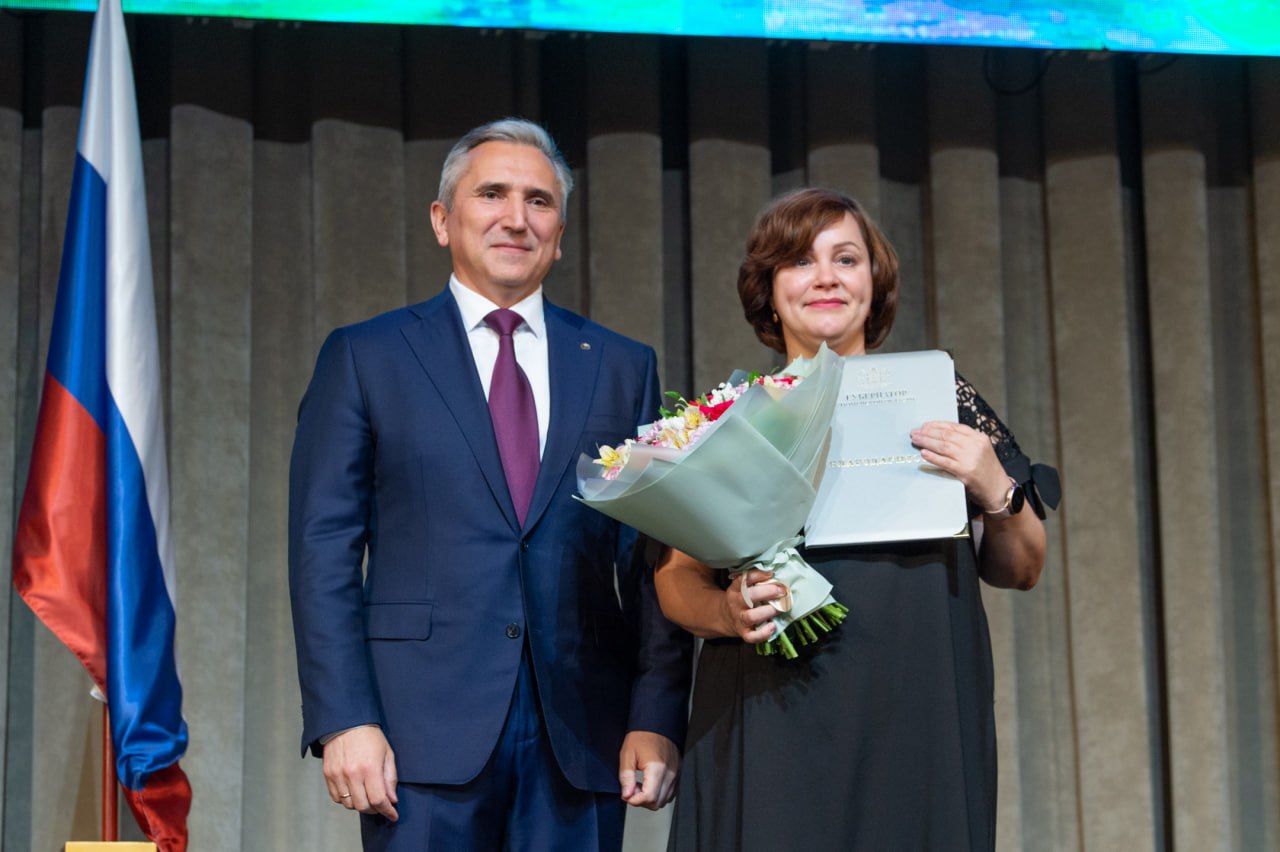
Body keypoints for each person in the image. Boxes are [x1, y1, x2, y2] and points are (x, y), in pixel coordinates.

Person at [289, 118, 692, 851]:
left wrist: (655, 713)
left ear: (559, 234)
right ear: (443, 220)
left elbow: (652, 558)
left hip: (583, 735)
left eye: (539, 201)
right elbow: (324, 553)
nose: (516, 218)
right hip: (417, 738)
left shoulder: (621, 365)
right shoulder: (365, 356)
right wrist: (344, 716)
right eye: (492, 194)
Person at [655, 188, 1058, 851]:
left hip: (920, 711)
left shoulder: (944, 402)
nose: (826, 278)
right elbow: (675, 580)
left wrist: (996, 489)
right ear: (768, 288)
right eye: (799, 261)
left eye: (846, 259)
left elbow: (1023, 568)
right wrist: (726, 611)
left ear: (875, 283)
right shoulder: (732, 419)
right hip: (768, 715)